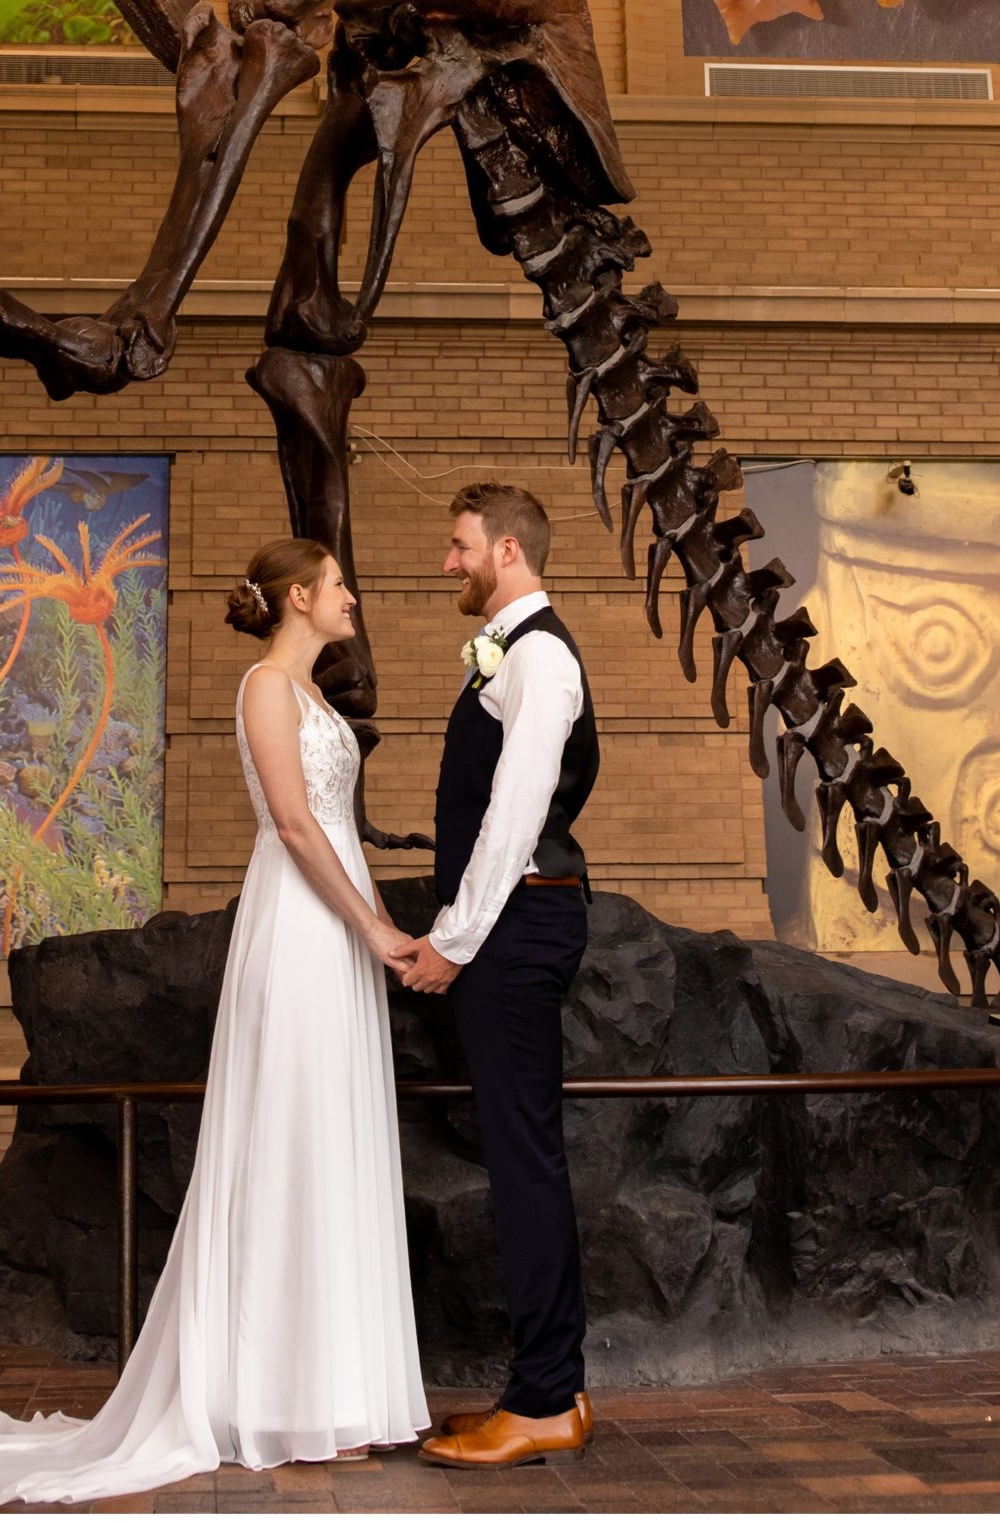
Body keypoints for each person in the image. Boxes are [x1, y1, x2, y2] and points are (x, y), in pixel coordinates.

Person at [0, 539, 429, 1506]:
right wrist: (371, 923)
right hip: (307, 922)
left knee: (333, 1137)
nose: (355, 596)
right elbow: (292, 822)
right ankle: (269, 1394)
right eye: (340, 585)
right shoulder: (265, 688)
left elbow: (334, 820)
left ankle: (333, 1390)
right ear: (302, 597)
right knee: (291, 1137)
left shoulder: (313, 695)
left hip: (340, 916)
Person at [403, 481, 600, 1472]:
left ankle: (544, 1397)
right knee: (520, 1149)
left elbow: (515, 815)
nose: (449, 562)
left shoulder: (542, 657)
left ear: (509, 551)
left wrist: (454, 937)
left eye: (460, 545)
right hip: (513, 923)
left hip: (515, 924)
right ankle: (547, 1387)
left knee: (523, 1156)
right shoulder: (512, 652)